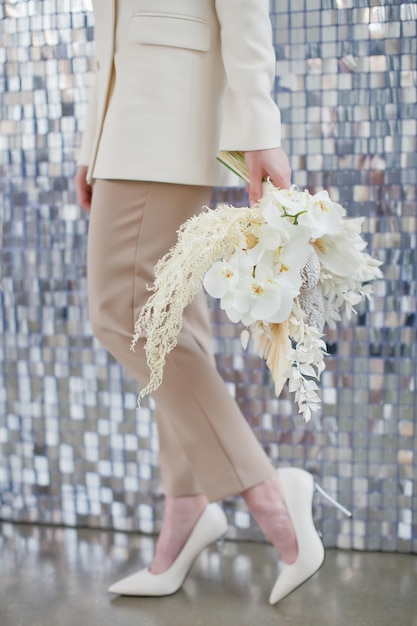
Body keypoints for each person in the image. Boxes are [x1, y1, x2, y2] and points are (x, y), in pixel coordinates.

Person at [75, 0, 337, 605]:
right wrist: (95, 136)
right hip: (130, 120)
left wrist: (260, 128)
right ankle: (187, 506)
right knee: (170, 321)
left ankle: (271, 497)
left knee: (124, 315)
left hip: (167, 115)